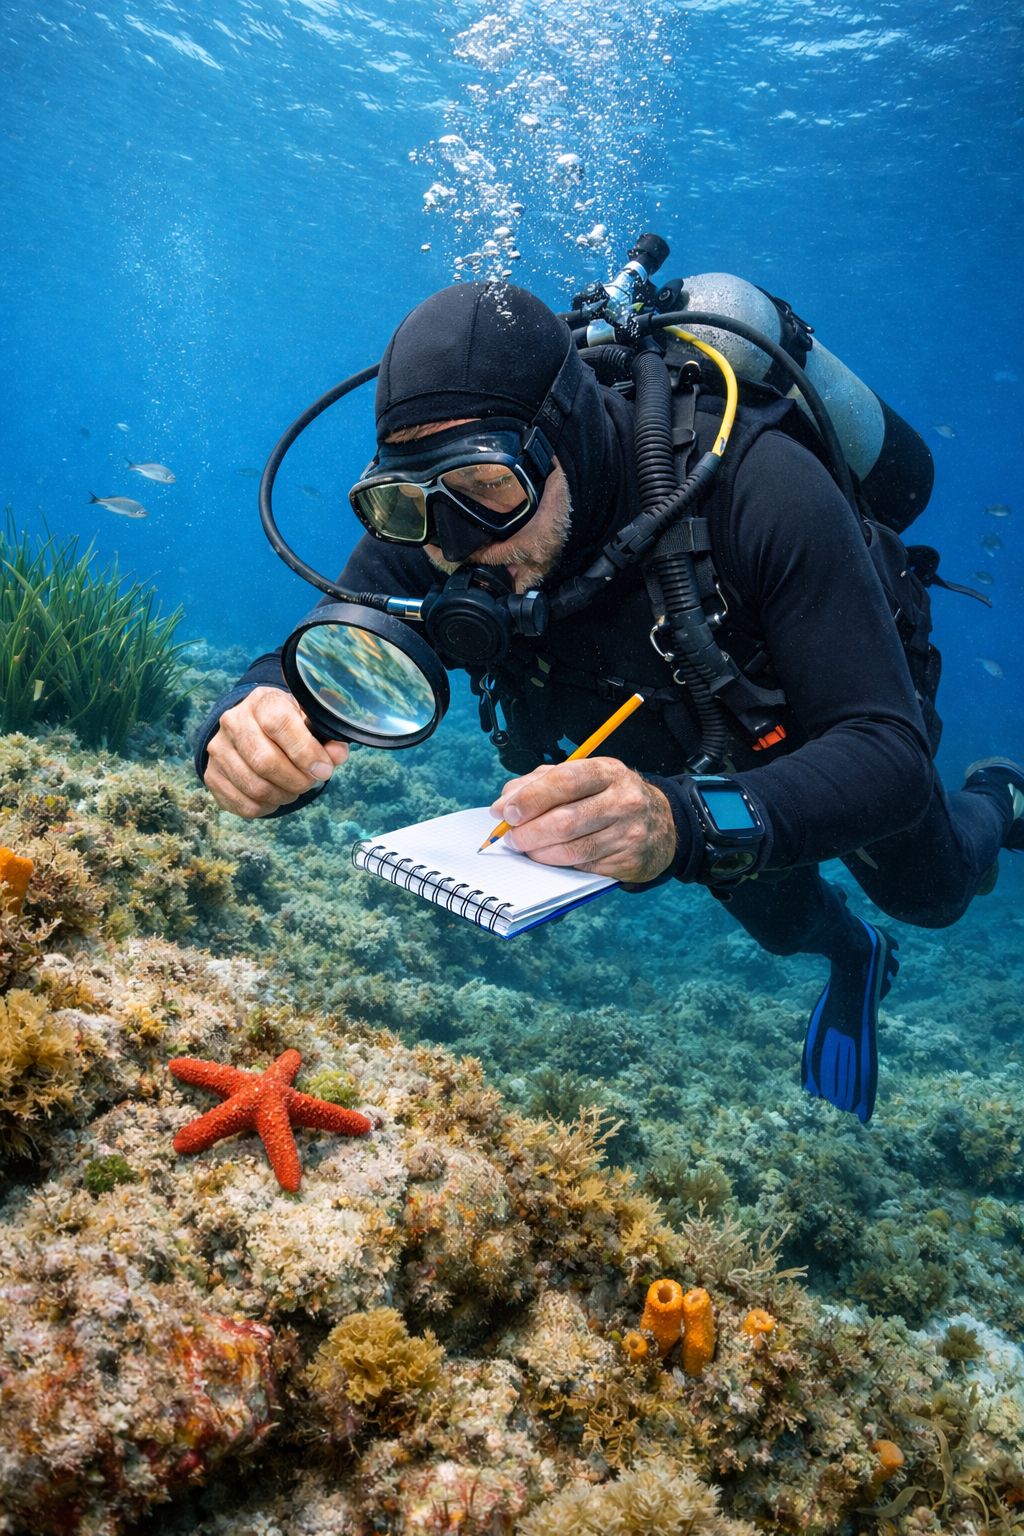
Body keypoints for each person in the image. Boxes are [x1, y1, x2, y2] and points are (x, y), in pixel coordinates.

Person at [196, 280, 1023, 1124]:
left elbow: (884, 750)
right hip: (686, 773)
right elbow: (319, 654)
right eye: (407, 502)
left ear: (565, 437)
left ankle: (1000, 792)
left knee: (936, 894)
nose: (455, 545)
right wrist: (253, 716)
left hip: (818, 731)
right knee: (784, 924)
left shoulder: (758, 486)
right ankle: (854, 953)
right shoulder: (440, 509)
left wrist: (679, 826)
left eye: (489, 487)